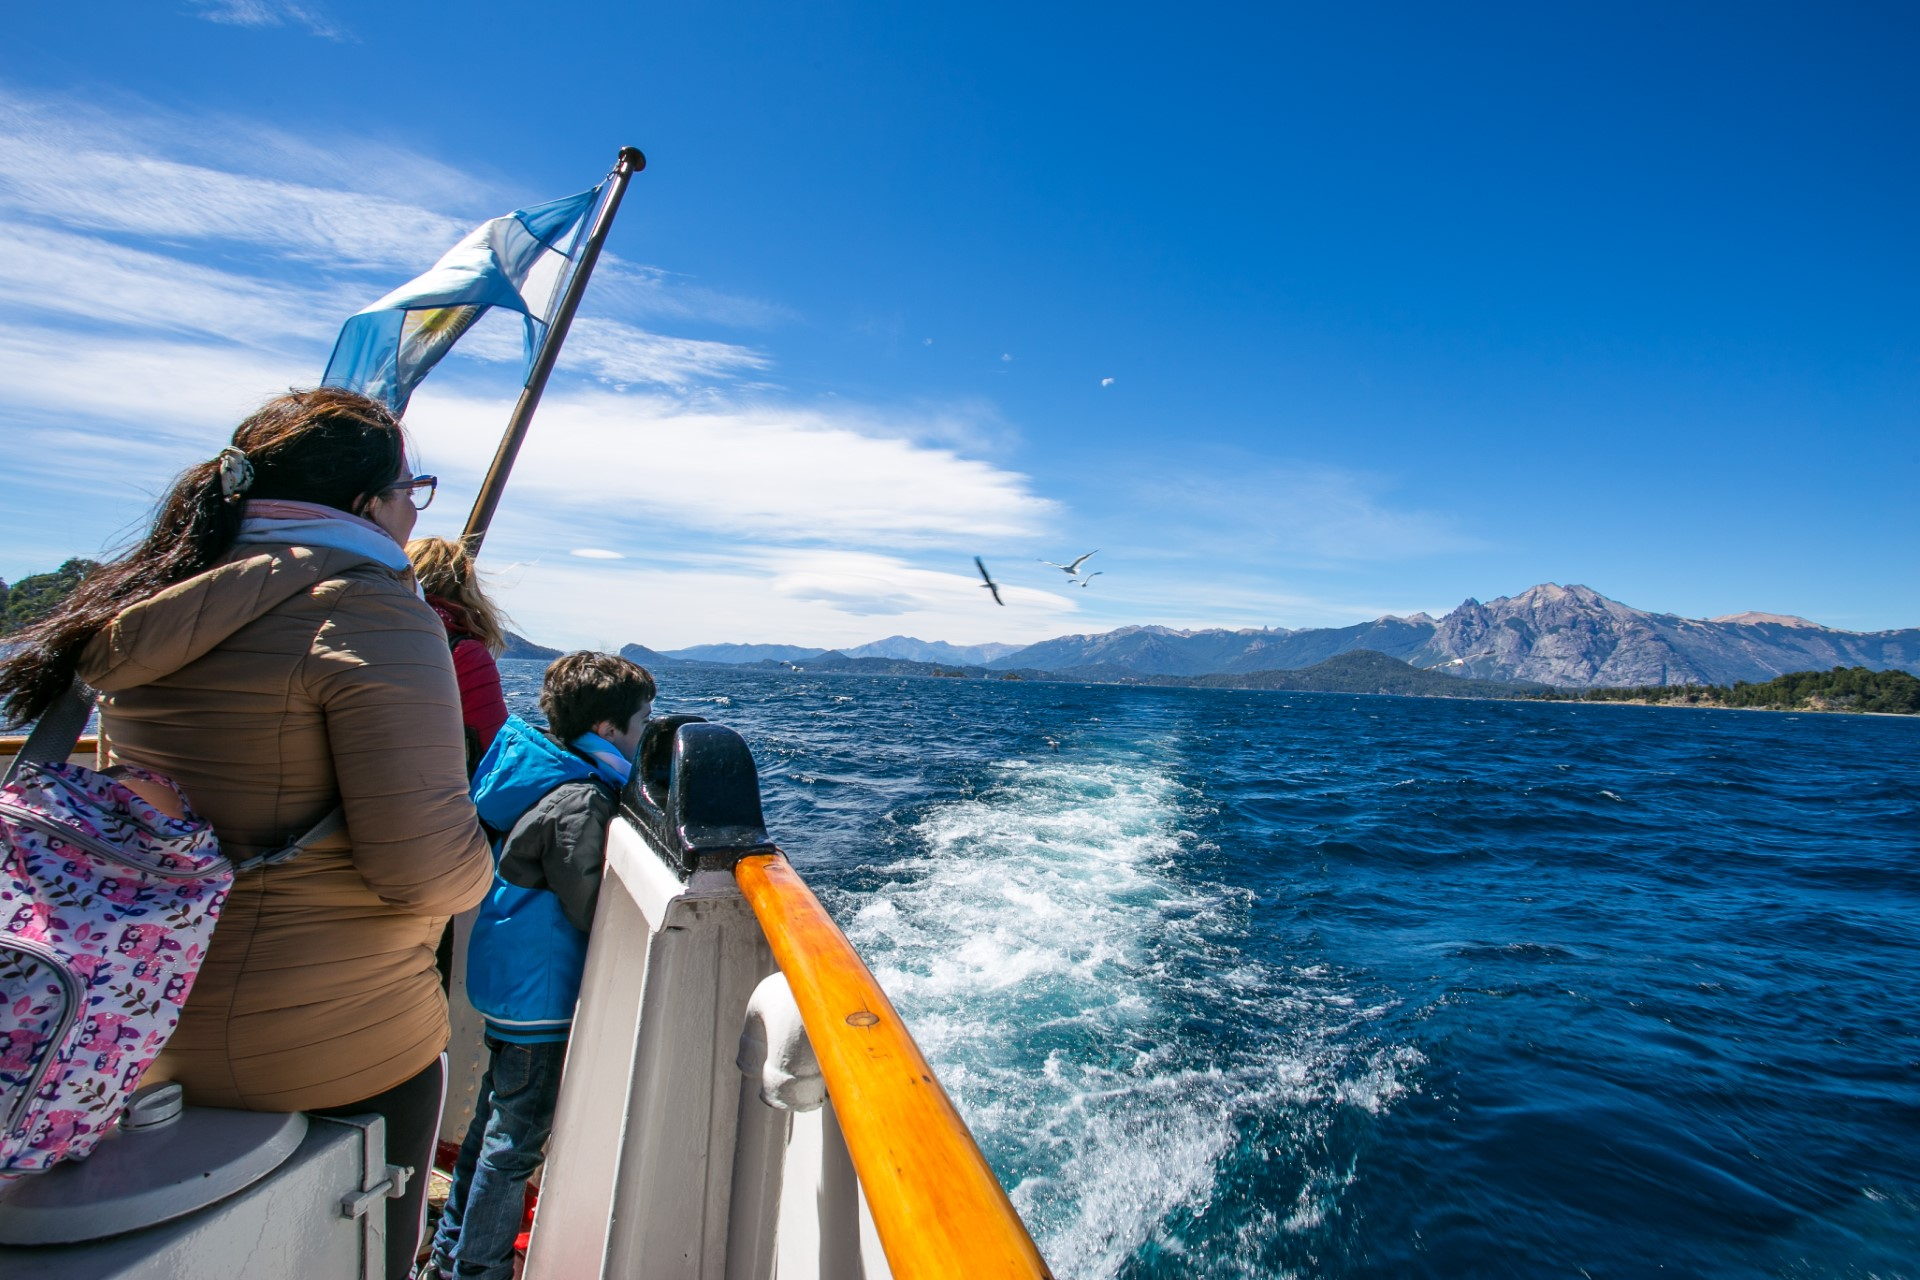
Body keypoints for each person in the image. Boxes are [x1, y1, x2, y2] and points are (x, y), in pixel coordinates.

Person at [0, 387, 494, 1277]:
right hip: (327, 1038)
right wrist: (482, 856)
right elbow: (424, 873)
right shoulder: (369, 608)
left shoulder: (158, 609)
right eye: (411, 488)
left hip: (132, 1021)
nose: (413, 509)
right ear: (368, 502)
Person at [425, 651, 656, 1280]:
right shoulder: (581, 801)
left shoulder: (541, 775)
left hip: (510, 990)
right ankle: (479, 1268)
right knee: (514, 1144)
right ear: (608, 731)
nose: (646, 736)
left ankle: (450, 1253)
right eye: (641, 723)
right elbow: (589, 906)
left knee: (488, 1129)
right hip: (541, 999)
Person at [408, 536, 511, 768]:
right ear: (465, 588)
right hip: (435, 789)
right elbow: (493, 751)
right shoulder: (464, 653)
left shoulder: (368, 630)